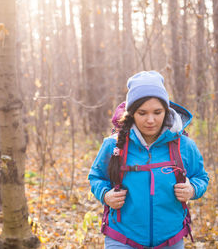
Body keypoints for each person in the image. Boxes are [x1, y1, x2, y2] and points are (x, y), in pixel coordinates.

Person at [88, 71, 209, 248]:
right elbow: (96, 177)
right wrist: (106, 195)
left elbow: (201, 177)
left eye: (157, 112)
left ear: (166, 111)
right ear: (131, 114)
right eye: (142, 113)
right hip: (122, 238)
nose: (150, 120)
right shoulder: (113, 145)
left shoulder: (184, 145)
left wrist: (193, 189)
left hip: (171, 240)